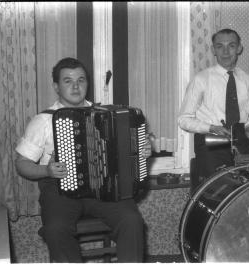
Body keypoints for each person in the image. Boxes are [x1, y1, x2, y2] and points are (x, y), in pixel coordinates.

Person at [15, 57, 151, 262]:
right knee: (55, 229)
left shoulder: (107, 115)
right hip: (59, 189)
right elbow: (21, 163)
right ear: (56, 86)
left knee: (132, 220)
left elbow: (128, 155)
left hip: (104, 189)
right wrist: (47, 171)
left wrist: (141, 150)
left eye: (81, 80)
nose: (76, 86)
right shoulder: (43, 120)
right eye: (68, 81)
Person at [178, 28, 249, 191]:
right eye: (219, 46)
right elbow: (183, 119)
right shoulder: (201, 79)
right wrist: (211, 128)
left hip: (242, 142)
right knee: (221, 193)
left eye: (231, 46)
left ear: (239, 48)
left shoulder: (248, 79)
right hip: (211, 144)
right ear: (213, 50)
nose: (225, 51)